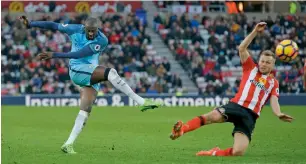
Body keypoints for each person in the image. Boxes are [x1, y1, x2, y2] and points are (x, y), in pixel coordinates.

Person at [19, 16, 162, 154]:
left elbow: (80, 53)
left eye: (94, 30)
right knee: (111, 72)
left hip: (91, 72)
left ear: (97, 29)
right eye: (89, 30)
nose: (92, 33)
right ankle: (140, 101)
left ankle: (68, 144)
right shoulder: (76, 29)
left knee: (85, 110)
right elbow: (53, 25)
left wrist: (54, 54)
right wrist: (31, 24)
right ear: (85, 28)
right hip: (77, 70)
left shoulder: (102, 40)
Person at [169, 22, 294, 156]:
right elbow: (241, 48)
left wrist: (278, 113)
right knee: (212, 116)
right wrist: (255, 32)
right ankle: (183, 129)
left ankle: (214, 153)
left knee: (238, 152)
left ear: (273, 65)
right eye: (262, 61)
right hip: (237, 105)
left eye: (268, 62)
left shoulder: (273, 82)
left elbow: (274, 100)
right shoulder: (251, 68)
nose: (264, 64)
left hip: (250, 116)